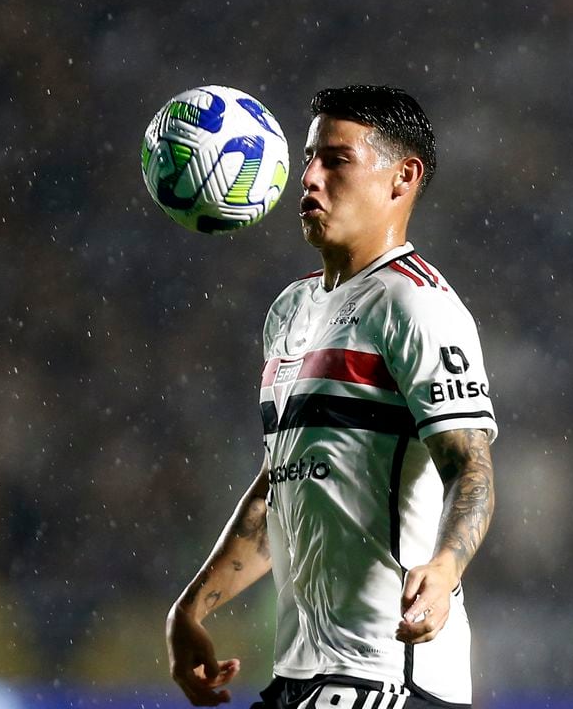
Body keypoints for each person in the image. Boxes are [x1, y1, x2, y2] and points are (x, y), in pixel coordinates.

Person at [166, 85, 498, 709]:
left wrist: (447, 566)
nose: (308, 177)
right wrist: (192, 609)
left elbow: (470, 465)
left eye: (335, 160)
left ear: (402, 177)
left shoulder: (416, 305)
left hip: (390, 676)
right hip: (301, 672)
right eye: (308, 157)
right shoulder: (290, 311)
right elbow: (282, 484)